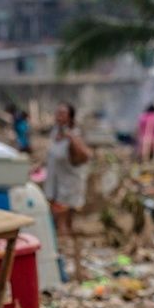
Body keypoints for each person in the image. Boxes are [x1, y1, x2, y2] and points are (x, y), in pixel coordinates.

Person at [44, 102, 92, 280]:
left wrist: (72, 142)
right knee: (59, 221)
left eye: (63, 113)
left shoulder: (73, 135)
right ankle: (65, 257)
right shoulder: (55, 133)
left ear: (70, 117)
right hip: (55, 183)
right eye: (58, 112)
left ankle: (66, 261)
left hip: (69, 185)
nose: (59, 116)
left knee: (62, 222)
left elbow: (86, 156)